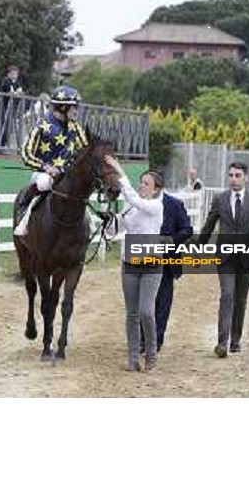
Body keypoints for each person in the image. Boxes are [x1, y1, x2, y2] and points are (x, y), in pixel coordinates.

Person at [197, 161, 249, 358]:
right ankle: (222, 343)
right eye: (231, 175)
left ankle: (235, 340)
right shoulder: (220, 199)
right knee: (227, 295)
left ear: (246, 177)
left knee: (240, 299)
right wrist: (198, 249)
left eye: (237, 175)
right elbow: (208, 226)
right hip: (225, 257)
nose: (233, 179)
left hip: (248, 256)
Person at [104, 156, 165, 372]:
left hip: (151, 265)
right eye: (141, 182)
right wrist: (109, 219)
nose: (142, 186)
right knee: (131, 314)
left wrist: (119, 171)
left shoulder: (155, 206)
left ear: (156, 190)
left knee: (146, 312)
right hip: (129, 264)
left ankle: (151, 353)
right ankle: (132, 358)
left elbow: (133, 198)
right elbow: (113, 232)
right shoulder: (131, 209)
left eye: (146, 183)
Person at [14, 85, 88, 236]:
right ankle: (24, 220)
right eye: (74, 107)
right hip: (43, 174)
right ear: (62, 107)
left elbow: (85, 149)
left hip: (66, 175)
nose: (76, 111)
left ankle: (88, 222)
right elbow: (26, 153)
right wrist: (45, 167)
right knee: (43, 183)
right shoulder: (42, 126)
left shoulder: (75, 127)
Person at [150, 177, 193, 352]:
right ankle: (143, 339)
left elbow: (187, 230)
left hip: (167, 261)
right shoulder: (138, 203)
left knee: (162, 303)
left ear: (159, 187)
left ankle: (156, 341)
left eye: (147, 184)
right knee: (143, 303)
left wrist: (169, 241)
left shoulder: (174, 205)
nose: (142, 187)